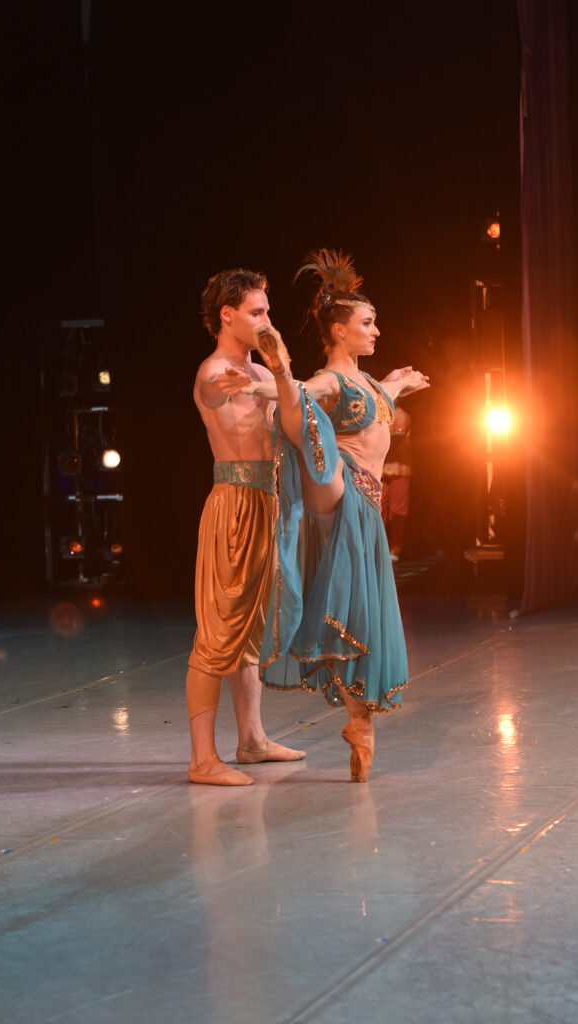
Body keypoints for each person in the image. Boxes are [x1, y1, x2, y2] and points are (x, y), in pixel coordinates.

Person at [247, 249, 429, 782]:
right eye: (367, 324)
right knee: (313, 436)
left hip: (367, 509)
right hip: (339, 491)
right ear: (340, 331)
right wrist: (270, 382)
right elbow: (308, 394)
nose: (376, 330)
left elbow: (382, 396)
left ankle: (360, 723)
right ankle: (281, 376)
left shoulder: (370, 385)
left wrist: (399, 382)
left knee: (358, 622)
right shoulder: (330, 381)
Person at [186, 268, 305, 786]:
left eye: (267, 311)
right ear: (227, 315)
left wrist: (278, 373)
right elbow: (212, 392)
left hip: (266, 502)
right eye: (257, 313)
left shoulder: (260, 373)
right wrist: (227, 385)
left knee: (251, 630)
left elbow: (303, 413)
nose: (266, 321)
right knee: (218, 632)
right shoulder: (215, 368)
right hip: (234, 504)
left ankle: (252, 740)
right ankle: (201, 760)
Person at [381, 400, 413, 561]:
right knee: (379, 508)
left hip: (399, 467)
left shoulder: (400, 414)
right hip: (382, 468)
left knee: (397, 509)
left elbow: (397, 437)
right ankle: (380, 546)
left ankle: (396, 549)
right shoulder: (380, 415)